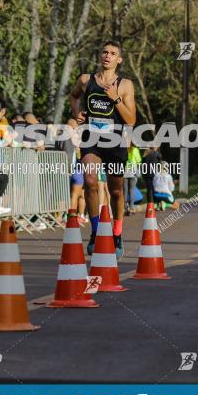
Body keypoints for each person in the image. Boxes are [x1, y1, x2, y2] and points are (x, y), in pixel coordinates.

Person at [69, 40, 137, 259]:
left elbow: (131, 120)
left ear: (119, 59)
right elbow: (73, 96)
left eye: (113, 53)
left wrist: (115, 99)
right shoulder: (86, 80)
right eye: (105, 52)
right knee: (89, 181)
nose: (108, 56)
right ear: (100, 55)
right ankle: (96, 232)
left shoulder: (125, 84)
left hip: (115, 141)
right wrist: (76, 113)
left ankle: (116, 234)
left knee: (115, 190)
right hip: (92, 138)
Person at [124, 143, 142, 215]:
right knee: (131, 190)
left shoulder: (123, 149)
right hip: (133, 172)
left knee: (124, 191)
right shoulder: (135, 150)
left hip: (124, 172)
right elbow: (138, 161)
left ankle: (125, 208)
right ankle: (131, 207)